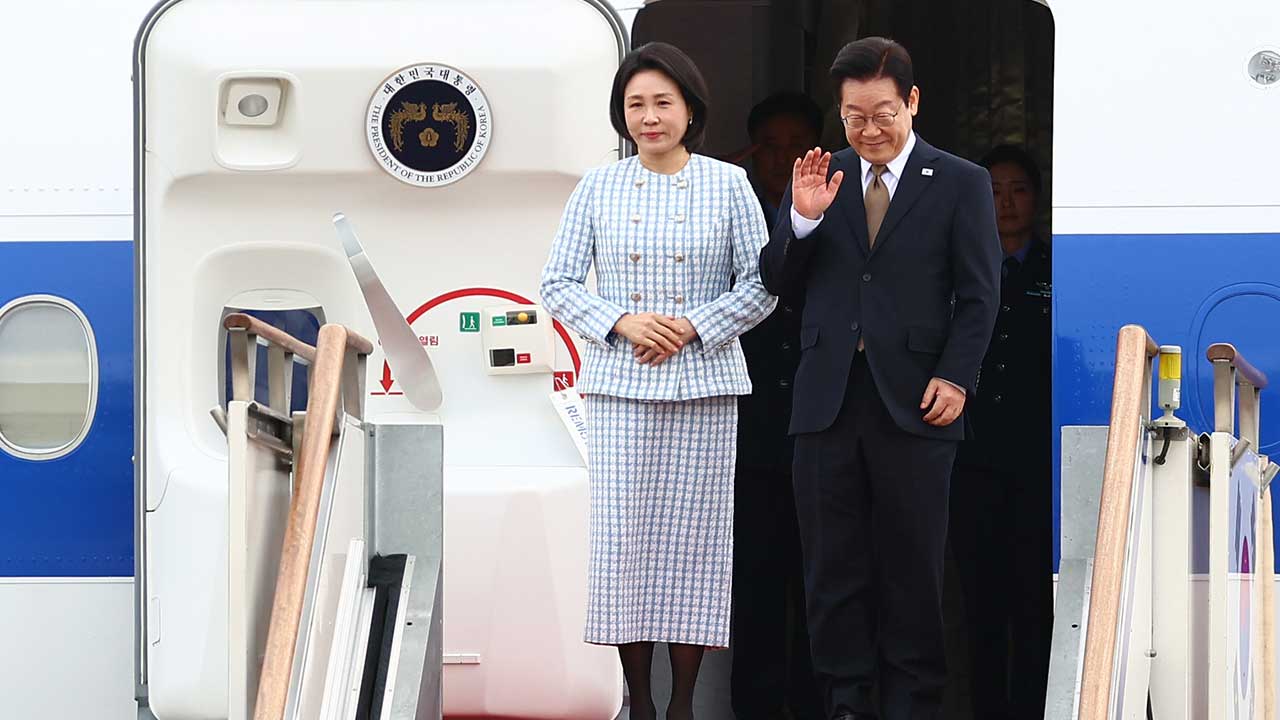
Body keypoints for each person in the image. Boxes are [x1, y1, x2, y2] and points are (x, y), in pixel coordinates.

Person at [758, 36, 1001, 720]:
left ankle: (914, 704)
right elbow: (777, 283)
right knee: (831, 572)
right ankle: (845, 704)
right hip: (826, 403)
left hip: (920, 404)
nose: (869, 129)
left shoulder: (960, 181)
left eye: (884, 112)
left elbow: (980, 295)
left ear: (913, 102)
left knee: (913, 570)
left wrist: (957, 378)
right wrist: (801, 219)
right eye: (853, 115)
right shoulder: (819, 173)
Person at [539, 41, 775, 720]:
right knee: (625, 546)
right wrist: (622, 321)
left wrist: (696, 325)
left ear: (691, 110)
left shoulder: (730, 183)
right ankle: (639, 701)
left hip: (704, 388)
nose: (649, 116)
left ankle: (684, 706)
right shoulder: (598, 186)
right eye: (636, 104)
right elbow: (556, 283)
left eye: (662, 103)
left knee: (695, 547)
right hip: (619, 389)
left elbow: (764, 284)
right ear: (622, 113)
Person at [949, 144, 1053, 720]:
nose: (1007, 203)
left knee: (1034, 598)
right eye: (993, 191)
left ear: (1036, 198)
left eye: (1017, 189)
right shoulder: (959, 265)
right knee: (980, 600)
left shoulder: (1060, 270)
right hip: (972, 456)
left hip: (1038, 461)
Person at [731, 91, 825, 720]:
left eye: (798, 147)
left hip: (824, 428)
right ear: (753, 152)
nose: (783, 158)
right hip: (748, 428)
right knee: (756, 587)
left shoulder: (834, 209)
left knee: (822, 588)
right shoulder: (730, 210)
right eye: (772, 147)